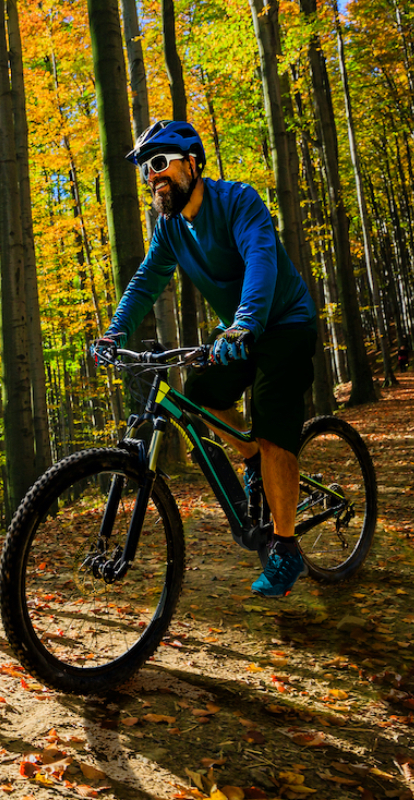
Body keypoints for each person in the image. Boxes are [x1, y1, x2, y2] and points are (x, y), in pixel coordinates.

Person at [91, 120, 319, 598]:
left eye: (160, 163)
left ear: (193, 161)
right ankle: (253, 456)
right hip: (239, 330)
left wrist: (244, 324)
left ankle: (286, 547)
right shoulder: (169, 228)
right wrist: (115, 331)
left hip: (283, 321)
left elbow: (261, 259)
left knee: (275, 423)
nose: (152, 176)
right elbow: (146, 281)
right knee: (197, 397)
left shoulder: (238, 201)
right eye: (144, 169)